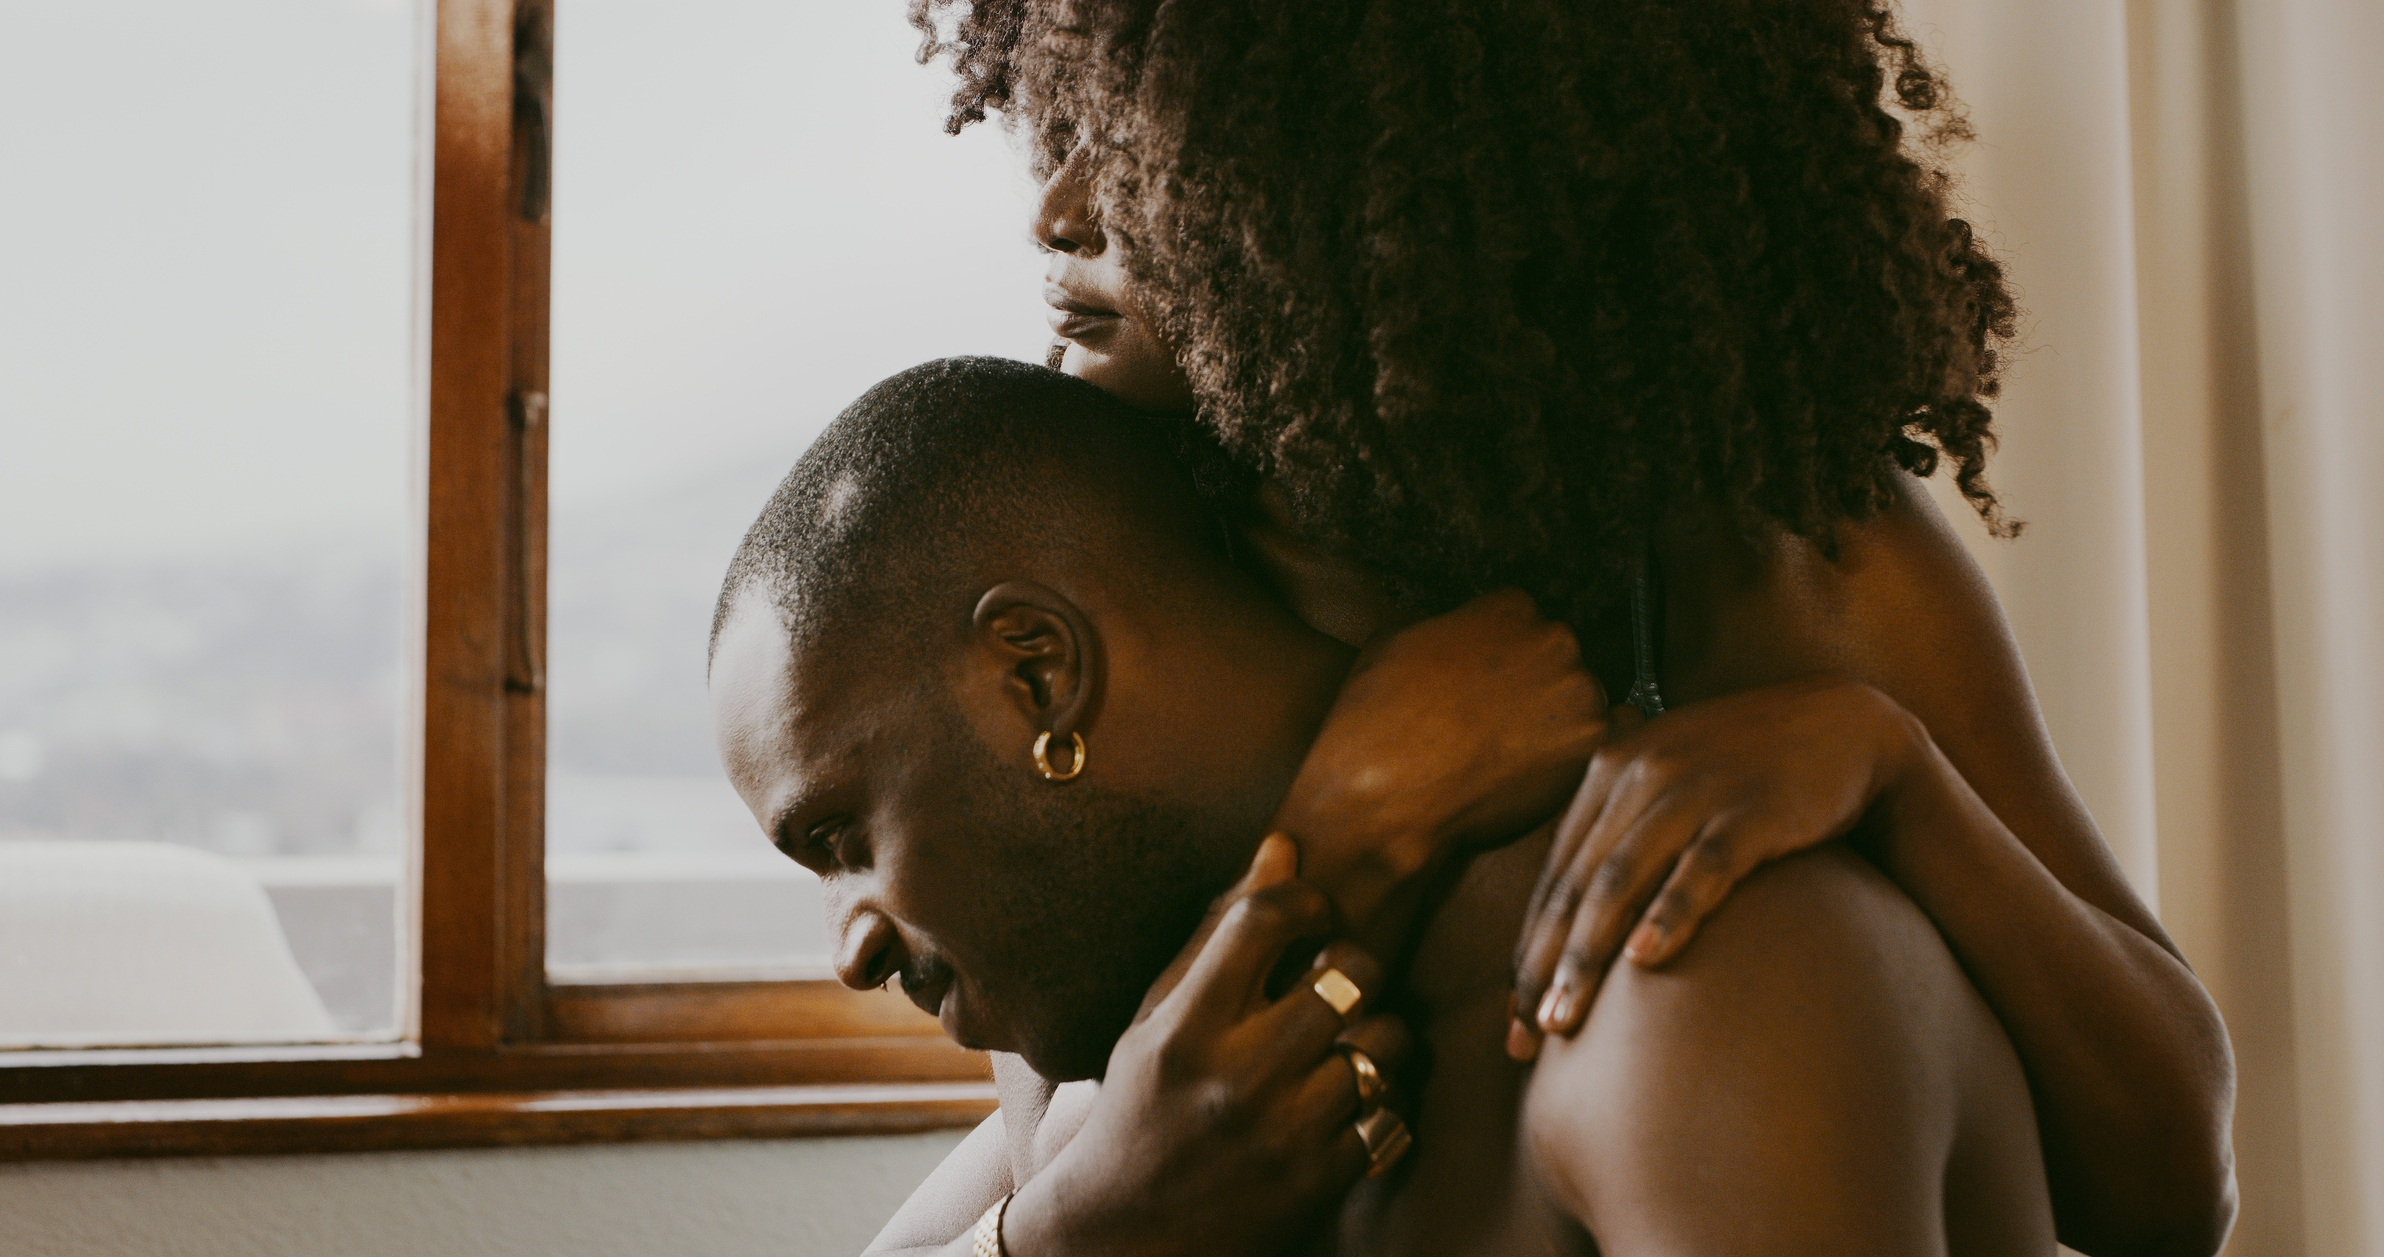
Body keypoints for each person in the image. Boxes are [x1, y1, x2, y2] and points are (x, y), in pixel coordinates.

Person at [886, 2, 2239, 1253]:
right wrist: (1347, 829)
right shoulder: (1090, 604)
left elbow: (2173, 1189)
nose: (1056, 209)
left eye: (1134, 142)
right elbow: (1043, 1165)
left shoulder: (1780, 557)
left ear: (1400, 167)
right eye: (1059, 124)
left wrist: (1891, 771)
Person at [709, 357, 2057, 1255]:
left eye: (841, 839)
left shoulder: (1702, 979)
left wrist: (1896, 764)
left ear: (1040, 674)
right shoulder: (1163, 1077)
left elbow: (2175, 1172)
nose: (850, 948)